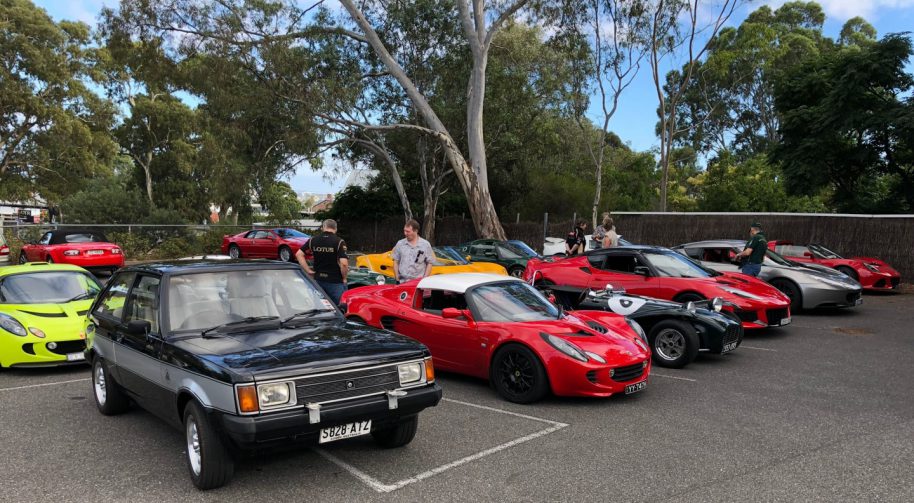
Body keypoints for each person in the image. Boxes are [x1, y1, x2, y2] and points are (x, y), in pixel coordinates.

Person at [295, 219, 349, 306]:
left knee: (320, 308)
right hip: (335, 282)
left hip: (318, 280)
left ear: (323, 227)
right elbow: (344, 263)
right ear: (335, 229)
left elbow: (299, 254)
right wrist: (344, 278)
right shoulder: (339, 242)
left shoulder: (313, 240)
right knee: (340, 309)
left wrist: (308, 270)